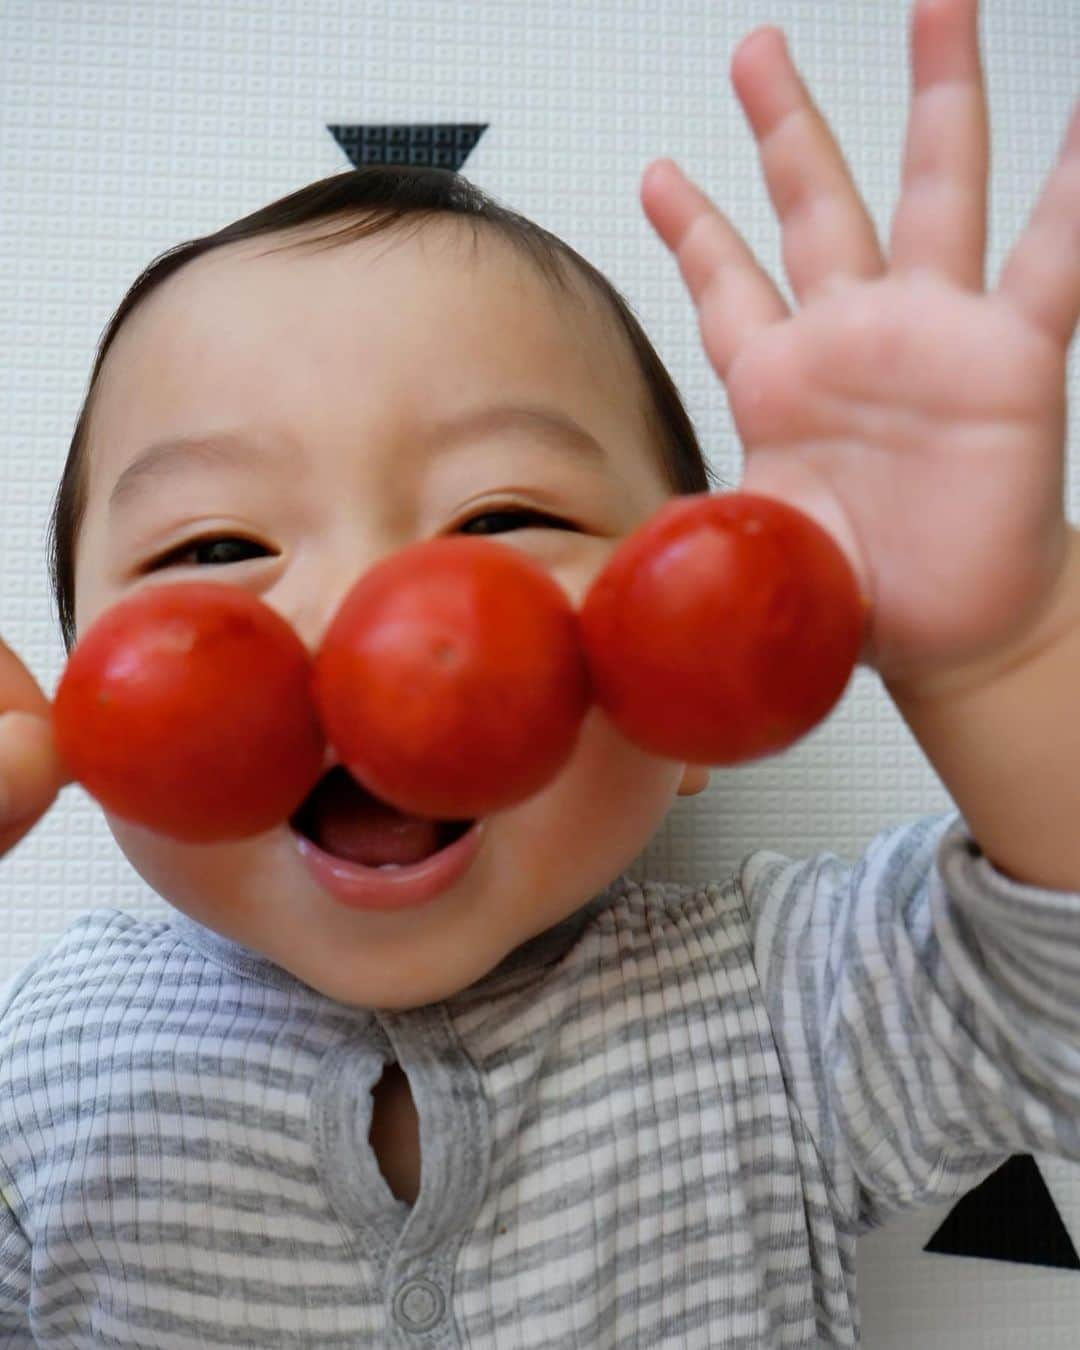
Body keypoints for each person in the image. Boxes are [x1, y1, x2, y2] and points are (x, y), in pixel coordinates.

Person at [1, 0, 1077, 1343]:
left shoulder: (787, 1001)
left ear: (700, 695)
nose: (365, 610)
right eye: (216, 543)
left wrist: (1007, 650)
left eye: (503, 520)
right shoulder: (45, 1051)